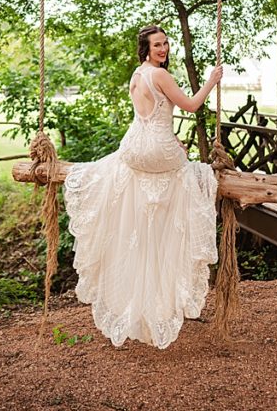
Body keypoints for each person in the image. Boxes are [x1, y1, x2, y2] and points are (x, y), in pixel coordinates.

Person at [64, 25, 224, 349]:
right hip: (154, 152)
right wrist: (212, 81)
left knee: (139, 177)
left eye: (165, 44)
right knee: (194, 176)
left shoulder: (137, 75)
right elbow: (191, 106)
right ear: (146, 48)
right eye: (157, 45)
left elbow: (150, 117)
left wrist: (173, 139)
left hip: (132, 149)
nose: (163, 49)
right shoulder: (160, 76)